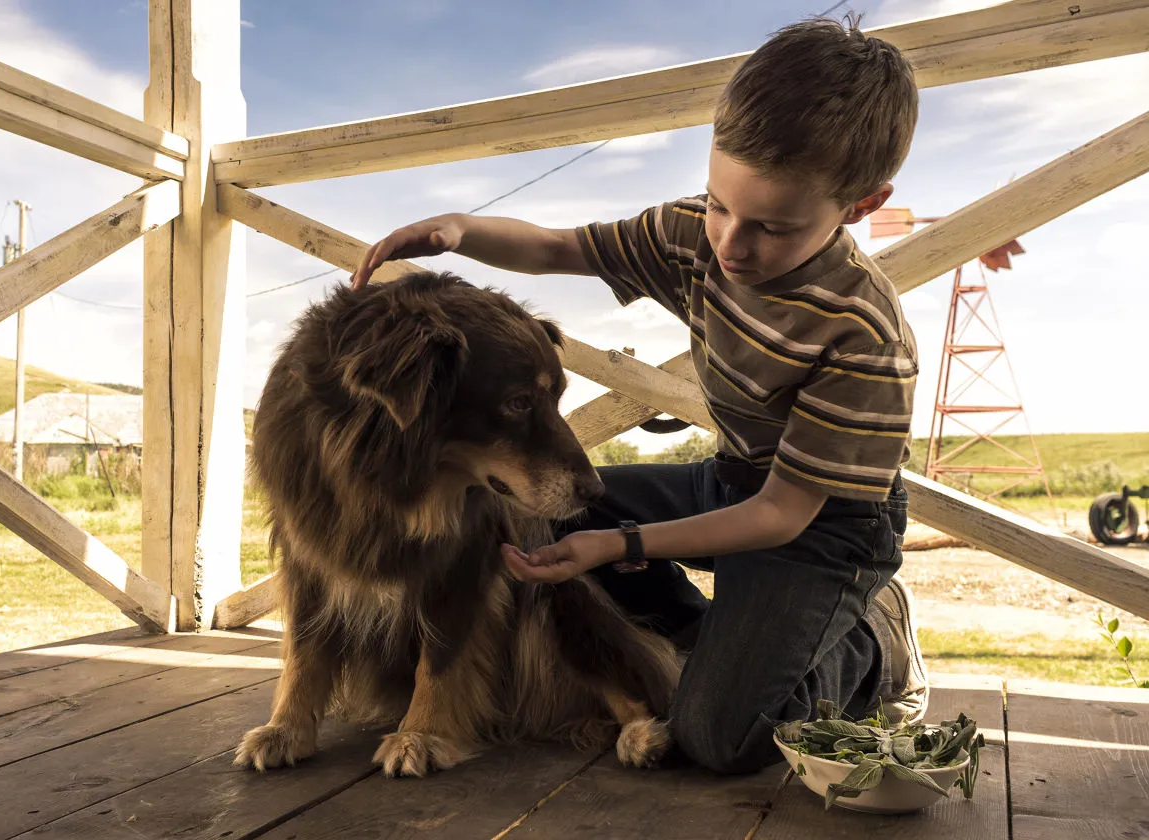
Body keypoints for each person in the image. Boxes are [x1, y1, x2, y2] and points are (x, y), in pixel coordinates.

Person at [350, 16, 926, 774]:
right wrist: (461, 230)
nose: (730, 245)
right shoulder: (692, 234)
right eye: (720, 205)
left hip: (826, 526)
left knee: (721, 739)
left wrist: (620, 545)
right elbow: (561, 248)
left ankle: (874, 642)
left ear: (860, 204)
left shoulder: (864, 337)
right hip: (732, 478)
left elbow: (782, 515)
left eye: (772, 228)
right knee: (553, 508)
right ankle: (709, 637)